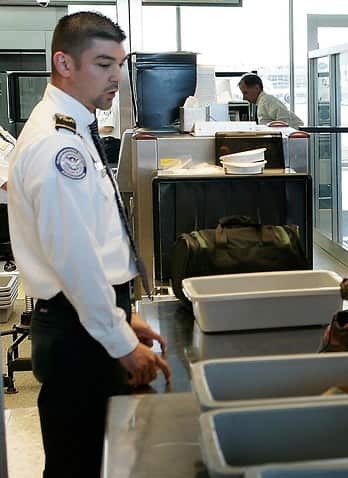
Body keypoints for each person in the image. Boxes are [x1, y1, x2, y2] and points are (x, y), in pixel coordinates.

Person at [6, 12, 171, 476]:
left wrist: (123, 313)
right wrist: (119, 340)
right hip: (78, 330)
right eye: (102, 63)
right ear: (63, 62)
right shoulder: (57, 147)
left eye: (119, 63)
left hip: (88, 318)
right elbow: (75, 263)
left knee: (95, 458)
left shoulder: (73, 129)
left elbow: (94, 241)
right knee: (76, 464)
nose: (116, 76)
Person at [238, 73, 304, 128]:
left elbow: (284, 119)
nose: (244, 98)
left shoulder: (266, 100)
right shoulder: (262, 102)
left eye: (245, 93)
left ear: (257, 88)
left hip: (294, 138)